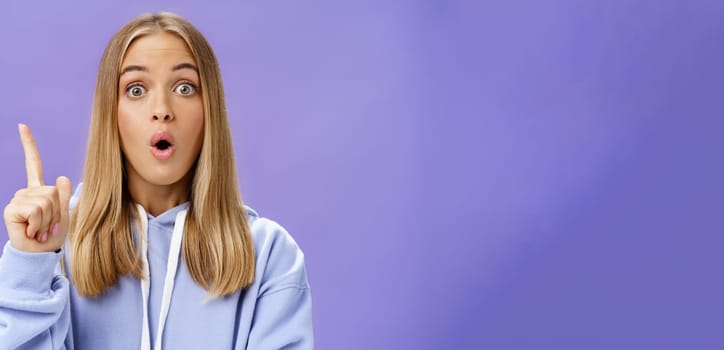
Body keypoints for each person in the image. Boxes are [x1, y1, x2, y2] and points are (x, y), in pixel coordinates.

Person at [0, 12, 313, 349]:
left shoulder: (269, 255)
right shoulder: (56, 247)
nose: (162, 109)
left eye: (184, 87)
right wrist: (31, 265)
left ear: (210, 111)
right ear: (111, 114)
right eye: (136, 89)